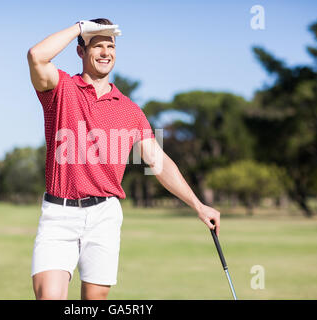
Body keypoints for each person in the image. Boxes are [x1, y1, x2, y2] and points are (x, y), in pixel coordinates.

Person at [27, 18, 221, 300]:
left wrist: (198, 205)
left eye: (111, 46)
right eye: (97, 45)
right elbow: (36, 55)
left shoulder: (130, 110)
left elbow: (159, 161)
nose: (106, 52)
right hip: (59, 214)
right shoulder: (60, 88)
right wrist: (80, 28)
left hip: (104, 215)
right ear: (80, 51)